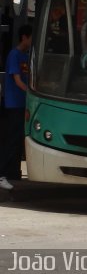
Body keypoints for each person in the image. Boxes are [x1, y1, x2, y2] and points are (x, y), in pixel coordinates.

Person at [0, 24, 32, 189]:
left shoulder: (26, 56)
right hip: (14, 104)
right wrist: (31, 92)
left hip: (23, 104)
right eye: (31, 37)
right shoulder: (14, 55)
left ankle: (13, 173)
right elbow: (17, 80)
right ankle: (2, 174)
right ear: (24, 37)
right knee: (11, 140)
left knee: (18, 140)